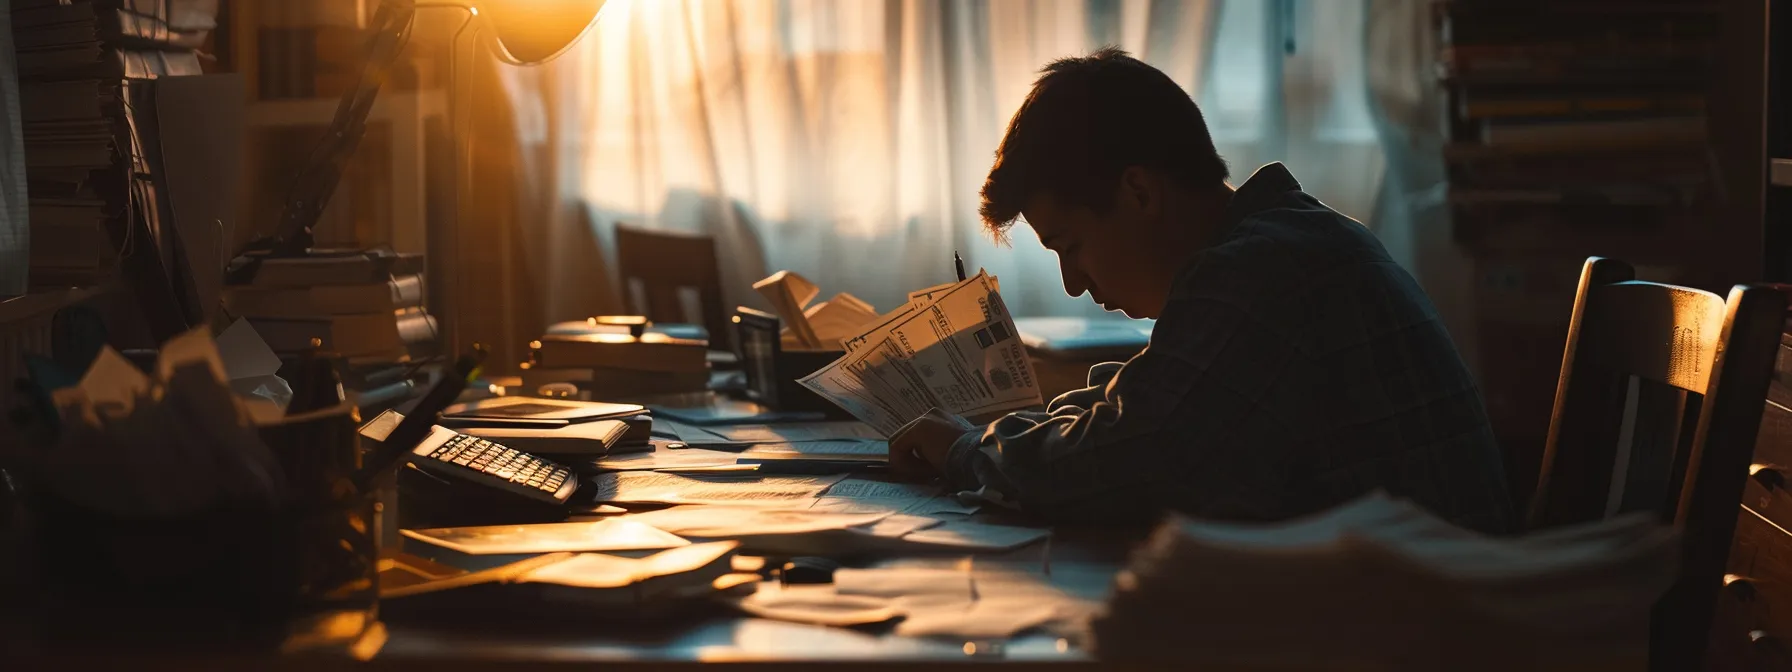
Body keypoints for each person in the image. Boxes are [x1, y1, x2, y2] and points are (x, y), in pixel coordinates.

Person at [889, 47, 1513, 533]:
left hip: (1423, 630)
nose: (1073, 285)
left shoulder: (1262, 272)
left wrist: (968, 452)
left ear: (1139, 193)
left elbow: (1146, 456)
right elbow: (1157, 411)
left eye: (1069, 246)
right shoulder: (1282, 243)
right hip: (1410, 598)